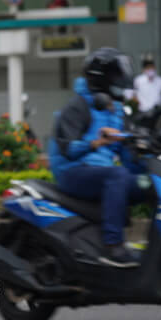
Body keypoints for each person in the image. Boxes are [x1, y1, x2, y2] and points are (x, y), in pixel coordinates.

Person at [48, 48, 145, 268]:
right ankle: (113, 246)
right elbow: (68, 149)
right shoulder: (78, 106)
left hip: (100, 173)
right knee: (117, 176)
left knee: (148, 182)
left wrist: (149, 159)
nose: (120, 81)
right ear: (102, 78)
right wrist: (96, 142)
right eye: (116, 75)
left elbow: (127, 154)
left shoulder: (116, 110)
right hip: (72, 171)